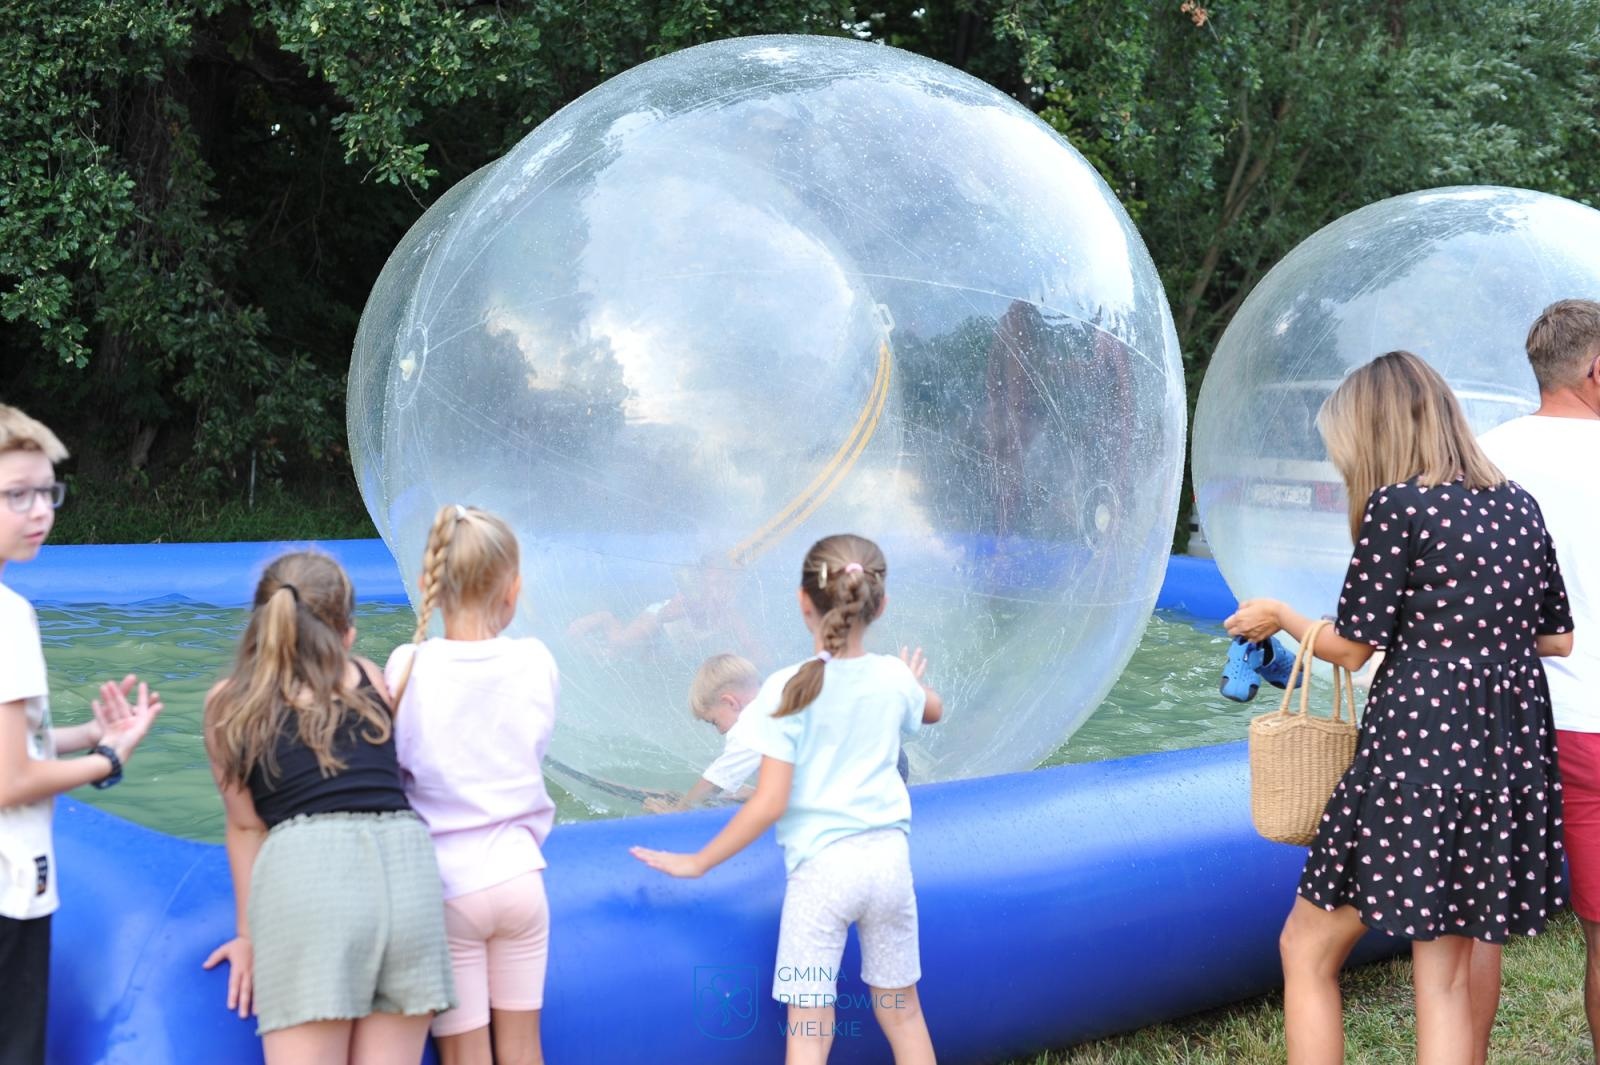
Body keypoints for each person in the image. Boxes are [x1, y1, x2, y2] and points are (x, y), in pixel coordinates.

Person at [1222, 351, 1572, 1065]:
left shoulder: (1399, 506)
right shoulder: (1516, 505)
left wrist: (1279, 615)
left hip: (1413, 761)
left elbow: (1352, 648)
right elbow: (1556, 635)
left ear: (1379, 431)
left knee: (1306, 946)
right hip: (1500, 762)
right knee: (1441, 981)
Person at [632, 533, 944, 1065]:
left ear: (803, 605)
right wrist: (910, 686)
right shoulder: (893, 677)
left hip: (821, 880)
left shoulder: (785, 689)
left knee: (809, 1026)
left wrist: (699, 860)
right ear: (881, 604)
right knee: (903, 1012)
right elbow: (932, 710)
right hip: (890, 870)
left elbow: (769, 802)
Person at [201, 551, 454, 1065]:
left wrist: (247, 937)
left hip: (312, 879)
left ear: (261, 625)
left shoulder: (229, 703)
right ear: (347, 634)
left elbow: (247, 826)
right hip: (409, 874)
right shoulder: (367, 676)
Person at [0, 404, 164, 1065]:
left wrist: (83, 732)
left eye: (48, 490)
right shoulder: (10, 617)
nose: (41, 510)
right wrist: (107, 756)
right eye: (17, 494)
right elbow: (11, 781)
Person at [1472, 299, 1600, 1063]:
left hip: (1503, 717)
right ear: (1595, 371)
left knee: (1473, 921)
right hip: (1594, 721)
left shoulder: (1482, 456)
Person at [385, 505, 557, 1065]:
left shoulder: (408, 666)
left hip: (449, 887)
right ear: (514, 590)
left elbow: (396, 765)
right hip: (521, 880)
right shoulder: (537, 662)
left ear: (427, 584)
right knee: (524, 1050)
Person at [643, 653, 761, 813]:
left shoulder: (751, 724)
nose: (720, 731)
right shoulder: (781, 700)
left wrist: (678, 812)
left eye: (714, 721)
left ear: (730, 703)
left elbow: (715, 781)